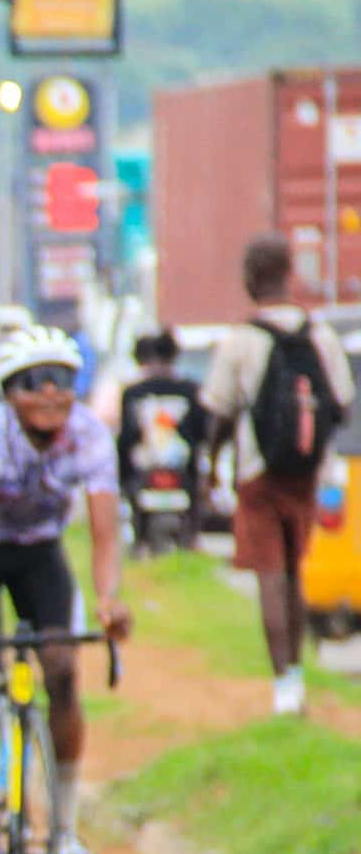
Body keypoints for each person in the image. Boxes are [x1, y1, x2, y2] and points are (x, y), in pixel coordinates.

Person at [0, 323, 130, 854]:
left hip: (40, 553)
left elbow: (102, 532)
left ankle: (66, 827)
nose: (51, 393)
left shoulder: (90, 435)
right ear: (7, 392)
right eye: (34, 381)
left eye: (63, 380)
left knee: (63, 668)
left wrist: (109, 599)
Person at [198, 233, 355, 716]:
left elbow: (219, 413)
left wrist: (211, 466)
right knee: (294, 568)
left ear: (249, 279)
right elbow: (344, 405)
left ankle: (284, 684)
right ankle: (299, 673)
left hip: (257, 473)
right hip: (307, 473)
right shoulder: (321, 335)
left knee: (270, 573)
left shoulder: (241, 340)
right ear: (290, 274)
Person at [115, 329, 209, 555]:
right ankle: (191, 540)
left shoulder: (134, 392)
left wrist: (120, 474)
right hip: (183, 469)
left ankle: (138, 543)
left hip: (143, 467)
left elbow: (127, 436)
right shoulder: (190, 390)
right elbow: (201, 431)